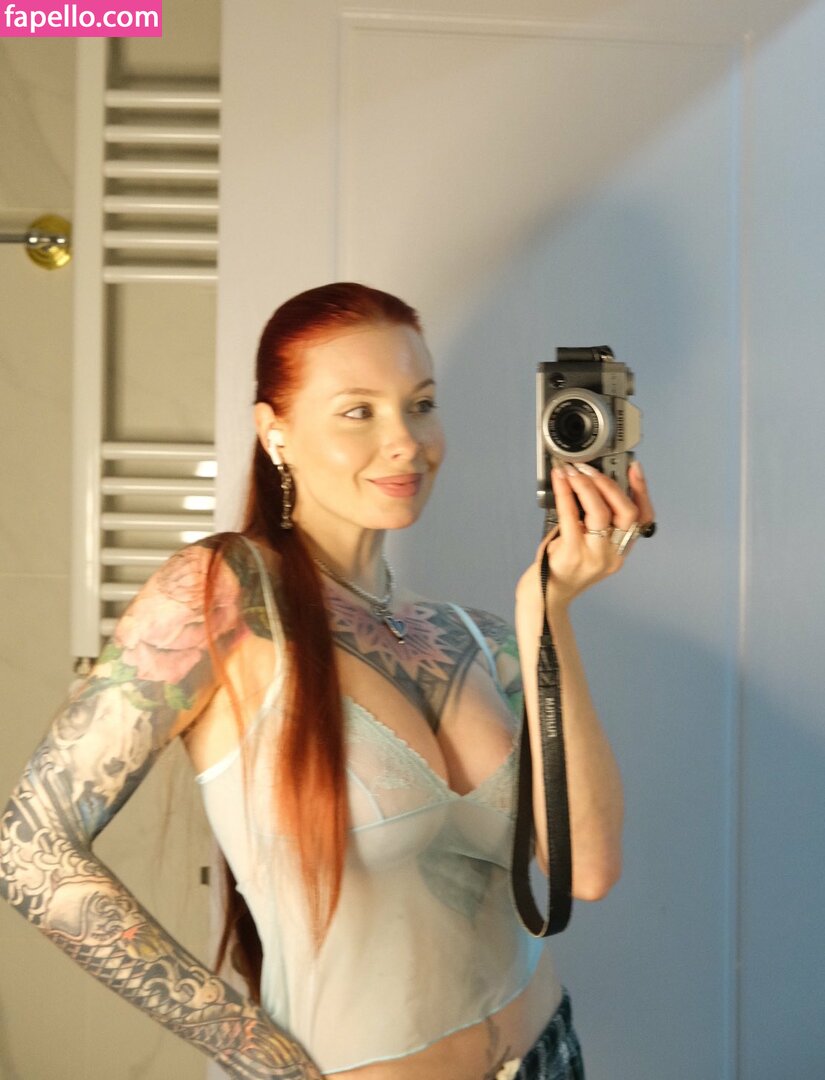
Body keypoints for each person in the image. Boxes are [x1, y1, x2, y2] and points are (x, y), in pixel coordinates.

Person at [0, 282, 654, 1080]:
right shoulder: (218, 596)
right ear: (273, 431)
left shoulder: (479, 638)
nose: (404, 441)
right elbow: (29, 849)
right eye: (358, 412)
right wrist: (254, 1051)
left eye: (420, 405)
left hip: (550, 1053)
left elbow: (588, 868)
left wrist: (547, 609)